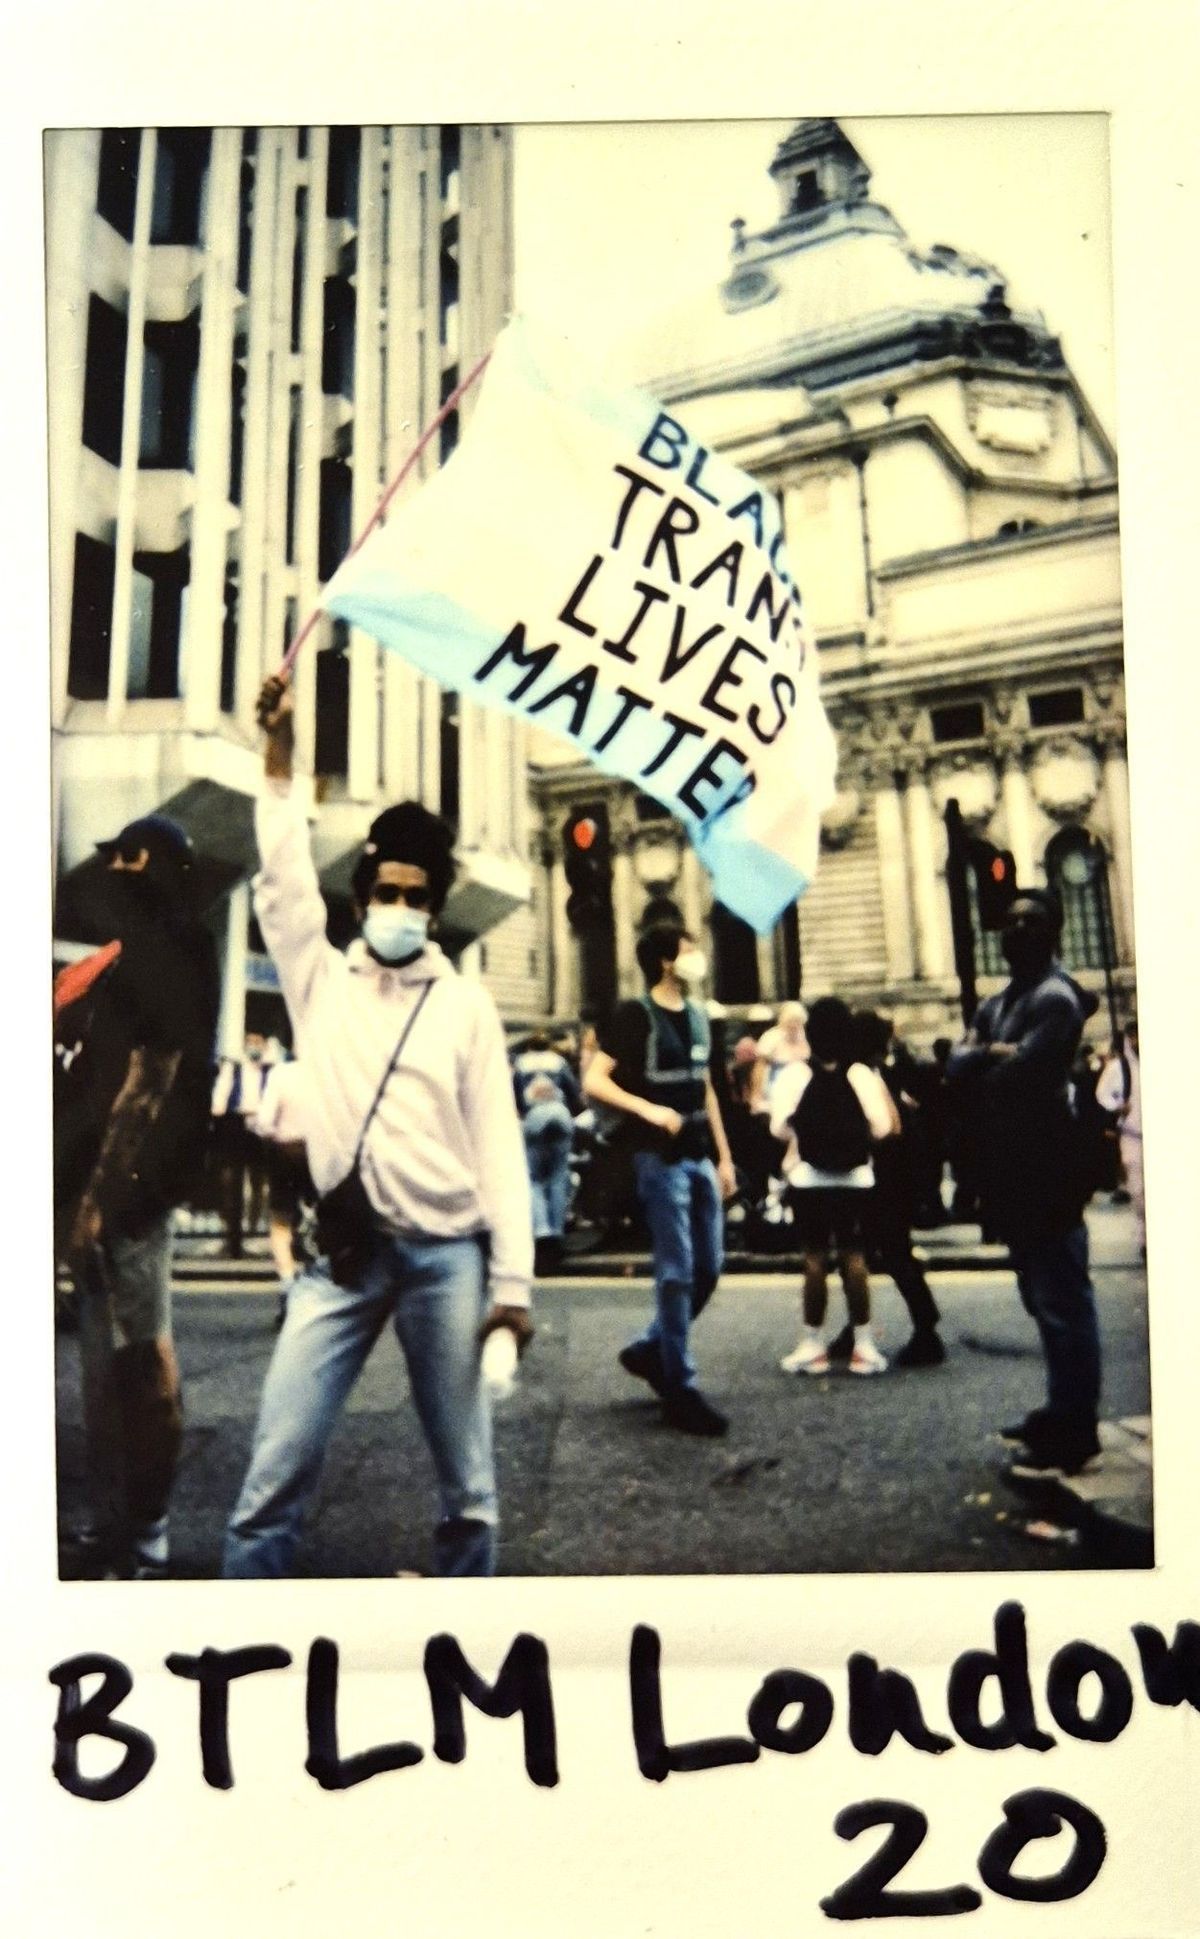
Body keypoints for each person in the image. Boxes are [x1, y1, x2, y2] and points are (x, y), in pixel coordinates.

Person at [223, 672, 534, 1578]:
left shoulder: (468, 1007)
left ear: (436, 906)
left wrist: (512, 1284)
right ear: (360, 896)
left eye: (416, 894)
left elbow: (499, 1151)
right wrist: (279, 757)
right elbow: (281, 877)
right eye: (384, 891)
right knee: (269, 1481)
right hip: (342, 1260)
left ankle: (465, 1646)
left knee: (469, 1489)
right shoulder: (320, 982)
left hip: (448, 1260)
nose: (398, 908)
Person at [53, 814, 219, 1578]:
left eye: (125, 859)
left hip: (126, 1198)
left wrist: (96, 1200)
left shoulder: (172, 945)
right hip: (101, 1193)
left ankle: (144, 1533)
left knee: (136, 1367)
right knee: (100, 1371)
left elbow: (147, 1085)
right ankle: (117, 1524)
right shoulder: (131, 957)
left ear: (148, 864)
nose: (113, 873)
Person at [946, 888, 1103, 1479]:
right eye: (1009, 922)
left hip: (1050, 1169)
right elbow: (957, 1067)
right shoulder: (1002, 1000)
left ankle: (1076, 1429)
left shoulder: (1055, 998)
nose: (1014, 931)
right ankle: (1060, 1408)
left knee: (1062, 1299)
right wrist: (989, 1055)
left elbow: (1017, 1076)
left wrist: (983, 1058)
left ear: (1053, 932)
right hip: (1012, 1169)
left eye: (1028, 922)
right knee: (1039, 1298)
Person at [584, 923, 736, 1437]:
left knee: (710, 1266)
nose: (699, 956)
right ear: (668, 961)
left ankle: (652, 1349)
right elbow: (594, 1079)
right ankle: (680, 1386)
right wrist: (649, 1110)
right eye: (691, 949)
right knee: (676, 1273)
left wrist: (725, 1157)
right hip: (658, 1158)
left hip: (698, 1157)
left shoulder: (699, 1016)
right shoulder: (634, 1015)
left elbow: (708, 1088)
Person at [769, 995, 895, 1376]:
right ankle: (863, 1346)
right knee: (854, 1259)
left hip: (809, 1179)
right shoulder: (860, 1074)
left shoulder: (795, 1074)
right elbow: (883, 1127)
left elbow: (777, 1128)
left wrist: (809, 1134)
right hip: (857, 1180)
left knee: (814, 1259)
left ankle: (813, 1346)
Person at [847, 1011, 946, 1367]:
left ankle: (926, 1328)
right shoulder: (878, 1071)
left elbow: (885, 1127)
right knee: (870, 1253)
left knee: (883, 1253)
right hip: (896, 1177)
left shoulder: (858, 1072)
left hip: (879, 1180)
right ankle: (855, 1325)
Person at [252, 1052, 317, 1327]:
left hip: (286, 1152)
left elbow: (264, 1122)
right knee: (324, 1221)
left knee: (280, 1222)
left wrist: (258, 1127)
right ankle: (316, 1285)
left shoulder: (281, 1073)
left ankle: (288, 1284)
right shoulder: (331, 1072)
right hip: (320, 1152)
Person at [512, 1029, 584, 1272]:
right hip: (560, 1116)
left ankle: (541, 1231)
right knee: (557, 1176)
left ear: (530, 1046)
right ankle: (556, 1230)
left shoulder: (520, 1063)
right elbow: (574, 1095)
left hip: (534, 1119)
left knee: (533, 1179)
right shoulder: (559, 1062)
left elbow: (514, 1099)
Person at [1096, 1017, 1144, 1256]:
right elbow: (1102, 1094)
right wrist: (1117, 1106)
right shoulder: (1119, 1067)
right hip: (1133, 1135)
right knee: (1139, 1189)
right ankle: (1144, 1236)